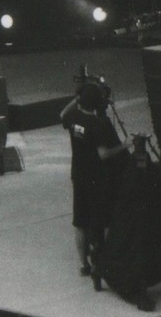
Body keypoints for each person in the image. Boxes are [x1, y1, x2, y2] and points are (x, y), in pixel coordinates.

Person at [60, 80, 131, 278]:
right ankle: (107, 261)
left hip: (78, 175)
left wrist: (76, 100)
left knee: (80, 221)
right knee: (105, 219)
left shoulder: (73, 117)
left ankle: (84, 265)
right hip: (97, 179)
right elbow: (104, 154)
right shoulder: (97, 124)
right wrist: (125, 145)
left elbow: (61, 115)